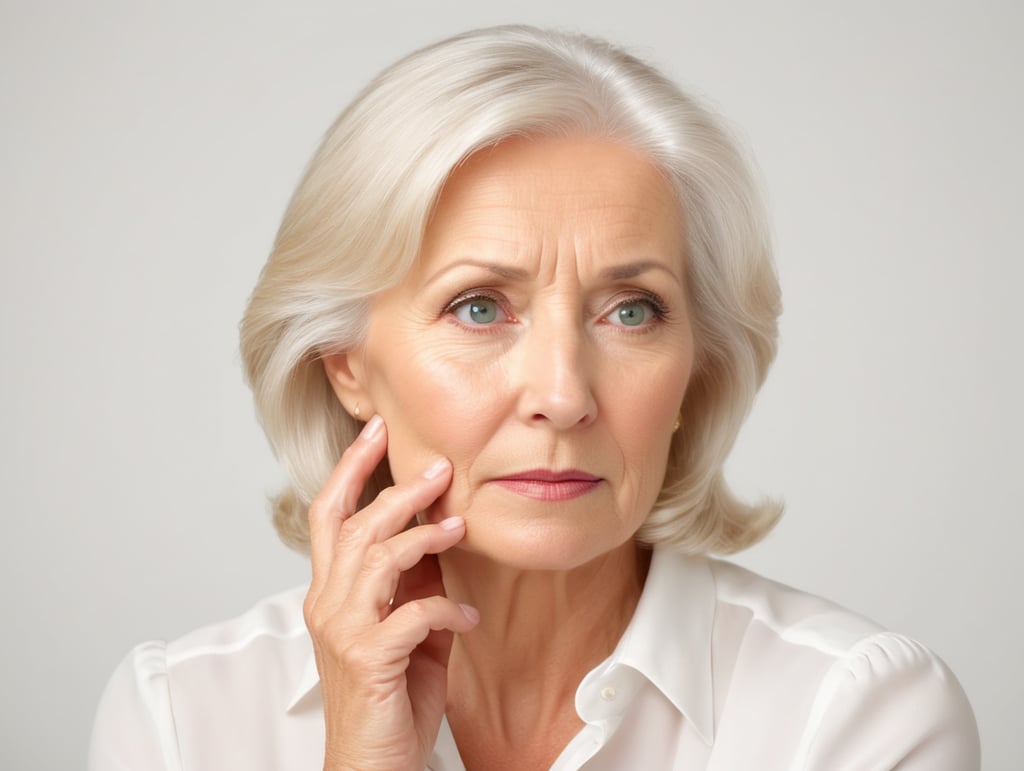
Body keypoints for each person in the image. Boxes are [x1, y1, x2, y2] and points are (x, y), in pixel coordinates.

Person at [88, 25, 980, 770]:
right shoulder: (181, 720)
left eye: (632, 311)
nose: (561, 394)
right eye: (480, 307)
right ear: (346, 364)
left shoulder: (859, 715)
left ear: (694, 368)